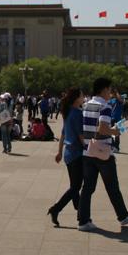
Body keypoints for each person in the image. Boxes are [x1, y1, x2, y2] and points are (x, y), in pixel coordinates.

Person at [76, 77, 128, 232]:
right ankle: (123, 216)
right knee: (112, 186)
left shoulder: (85, 105)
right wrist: (115, 131)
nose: (110, 93)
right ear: (104, 90)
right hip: (102, 152)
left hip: (87, 151)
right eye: (110, 90)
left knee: (87, 188)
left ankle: (83, 221)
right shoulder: (104, 106)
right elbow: (103, 128)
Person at [48, 89, 84, 227]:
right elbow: (80, 135)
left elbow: (63, 134)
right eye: (82, 95)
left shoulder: (68, 112)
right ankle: (56, 209)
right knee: (76, 187)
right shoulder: (77, 113)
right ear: (76, 98)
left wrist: (60, 152)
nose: (83, 97)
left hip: (69, 154)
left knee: (74, 185)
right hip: (77, 154)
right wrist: (89, 147)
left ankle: (80, 212)